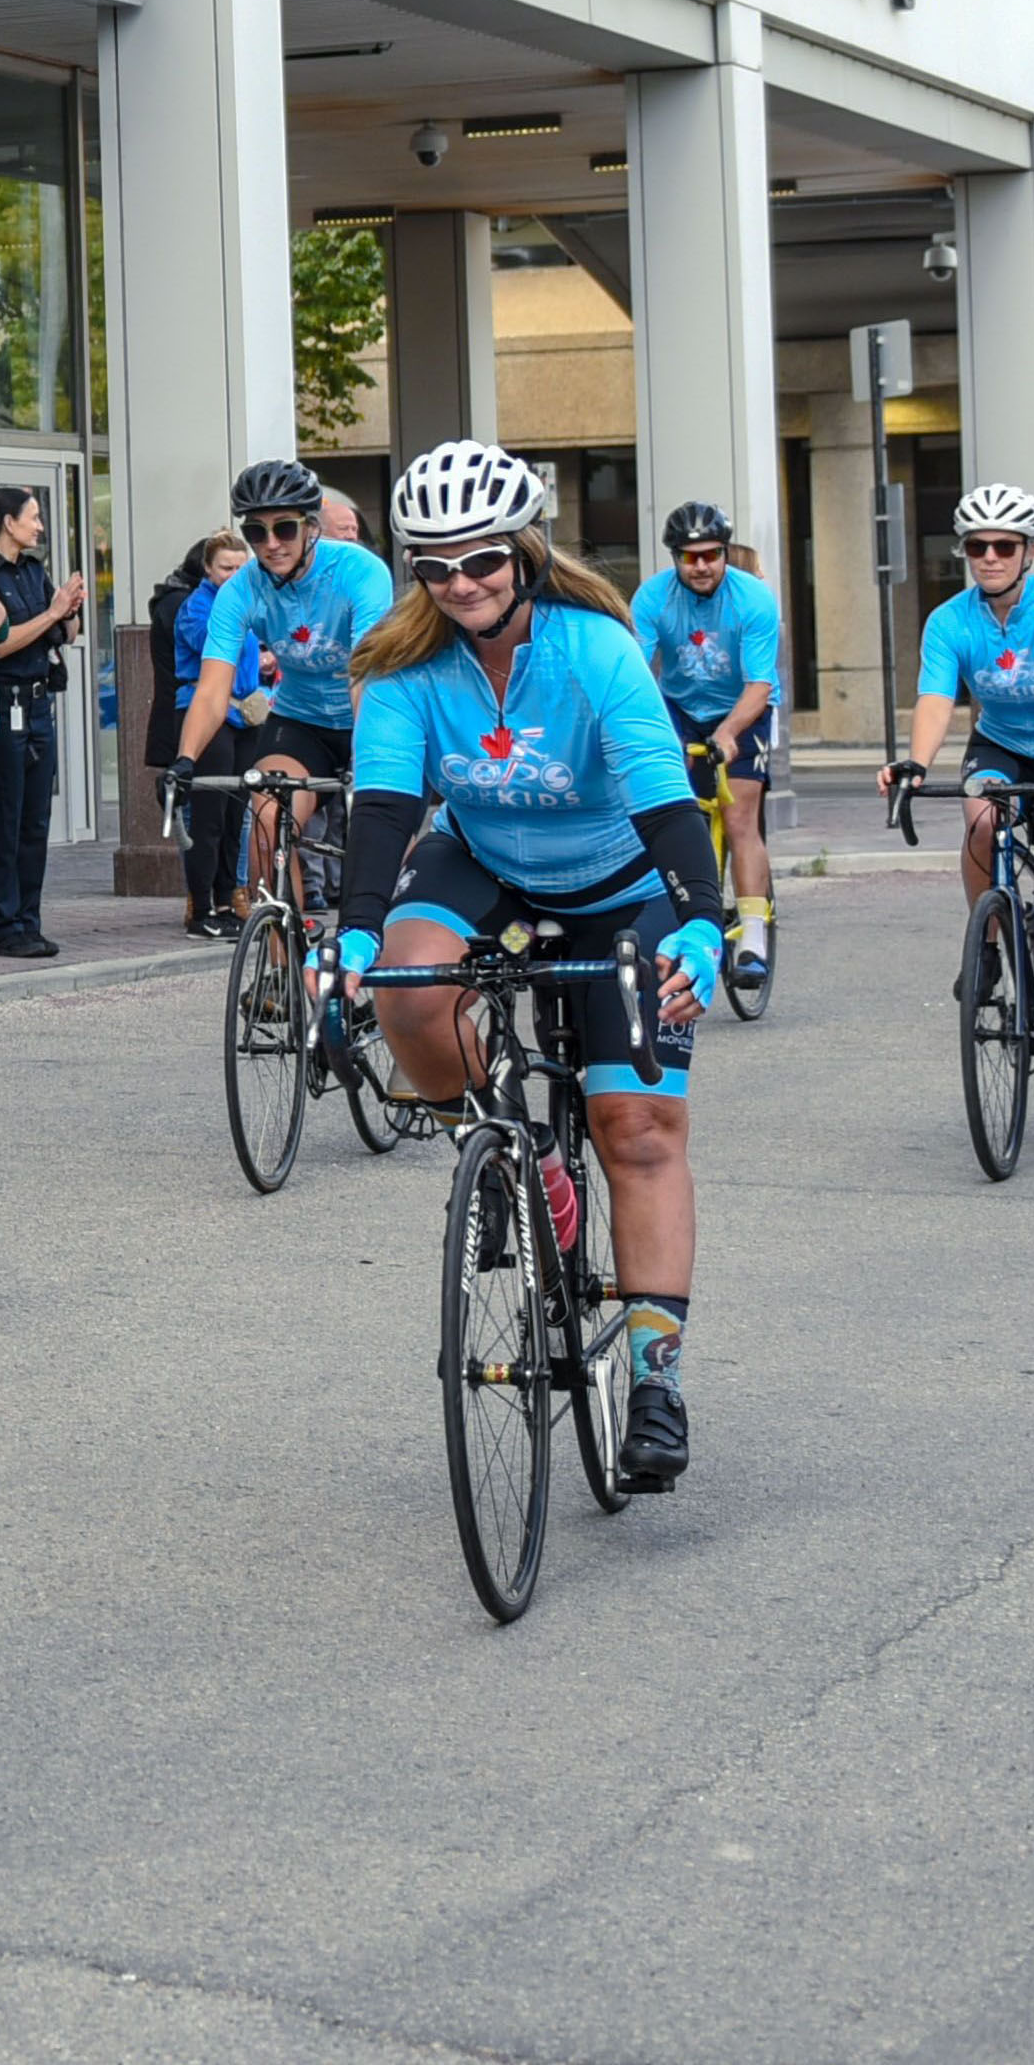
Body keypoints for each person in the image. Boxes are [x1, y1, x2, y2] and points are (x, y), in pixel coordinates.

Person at [334, 439, 723, 1495]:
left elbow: (659, 792)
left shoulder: (594, 647)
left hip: (622, 878)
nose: (462, 584)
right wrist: (356, 928)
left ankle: (654, 1379)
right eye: (437, 565)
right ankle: (521, 1160)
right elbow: (382, 805)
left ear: (526, 549)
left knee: (635, 1127)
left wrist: (699, 921)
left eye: (484, 561)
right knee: (405, 986)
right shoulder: (405, 665)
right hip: (489, 865)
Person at [887, 481, 1034, 1098]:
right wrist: (915, 765)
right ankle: (989, 943)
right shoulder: (950, 620)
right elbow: (937, 699)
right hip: (1001, 746)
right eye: (977, 546)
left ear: (1030, 551)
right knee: (981, 818)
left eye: (1004, 545)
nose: (989, 557)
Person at [175, 459, 394, 1062]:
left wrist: (372, 759)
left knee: (379, 837)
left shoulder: (359, 573)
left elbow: (366, 671)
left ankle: (369, 952)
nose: (270, 544)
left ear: (311, 527)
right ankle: (283, 969)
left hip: (371, 709)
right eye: (256, 531)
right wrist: (185, 760)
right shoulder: (240, 588)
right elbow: (214, 686)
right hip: (299, 718)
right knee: (268, 819)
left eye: (285, 529)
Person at [629, 500, 785, 1000]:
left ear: (724, 552)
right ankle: (679, 921)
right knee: (675, 814)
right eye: (690, 557)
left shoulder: (753, 600)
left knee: (739, 816)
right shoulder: (652, 597)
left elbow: (760, 684)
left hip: (744, 705)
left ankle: (753, 942)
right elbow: (635, 672)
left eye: (711, 555)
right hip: (679, 706)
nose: (702, 566)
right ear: (675, 557)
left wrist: (728, 734)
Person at [0, 486, 78, 957]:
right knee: (3, 817)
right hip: (4, 699)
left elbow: (62, 633)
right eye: (32, 518)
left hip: (39, 702)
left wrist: (68, 610)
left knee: (36, 819)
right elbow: (0, 643)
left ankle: (29, 920)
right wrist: (52, 613)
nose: (39, 526)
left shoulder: (36, 571)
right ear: (8, 523)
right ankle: (2, 926)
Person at [161, 528, 249, 930]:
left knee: (235, 818)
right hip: (204, 711)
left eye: (240, 568)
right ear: (209, 569)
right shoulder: (196, 607)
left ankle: (227, 901)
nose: (233, 574)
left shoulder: (250, 603)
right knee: (208, 819)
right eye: (225, 567)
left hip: (246, 715)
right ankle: (200, 909)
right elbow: (210, 643)